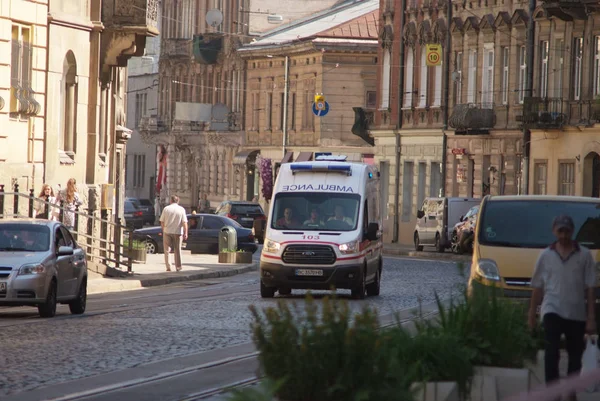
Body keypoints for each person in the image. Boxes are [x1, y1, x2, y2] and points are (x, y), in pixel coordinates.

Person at [528, 215, 596, 401]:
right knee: (551, 353)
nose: (564, 235)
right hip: (552, 309)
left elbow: (590, 287)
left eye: (567, 231)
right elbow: (538, 287)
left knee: (575, 356)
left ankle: (570, 391)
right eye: (560, 231)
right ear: (554, 232)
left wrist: (591, 317)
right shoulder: (546, 255)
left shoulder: (584, 255)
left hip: (576, 313)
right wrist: (532, 316)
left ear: (572, 232)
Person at [159, 195, 188, 272]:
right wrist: (186, 233)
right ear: (177, 201)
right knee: (177, 249)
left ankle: (168, 266)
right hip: (178, 232)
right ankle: (178, 267)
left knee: (167, 250)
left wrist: (163, 230)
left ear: (171, 201)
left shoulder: (166, 209)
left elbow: (162, 221)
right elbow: (184, 222)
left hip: (167, 231)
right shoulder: (181, 209)